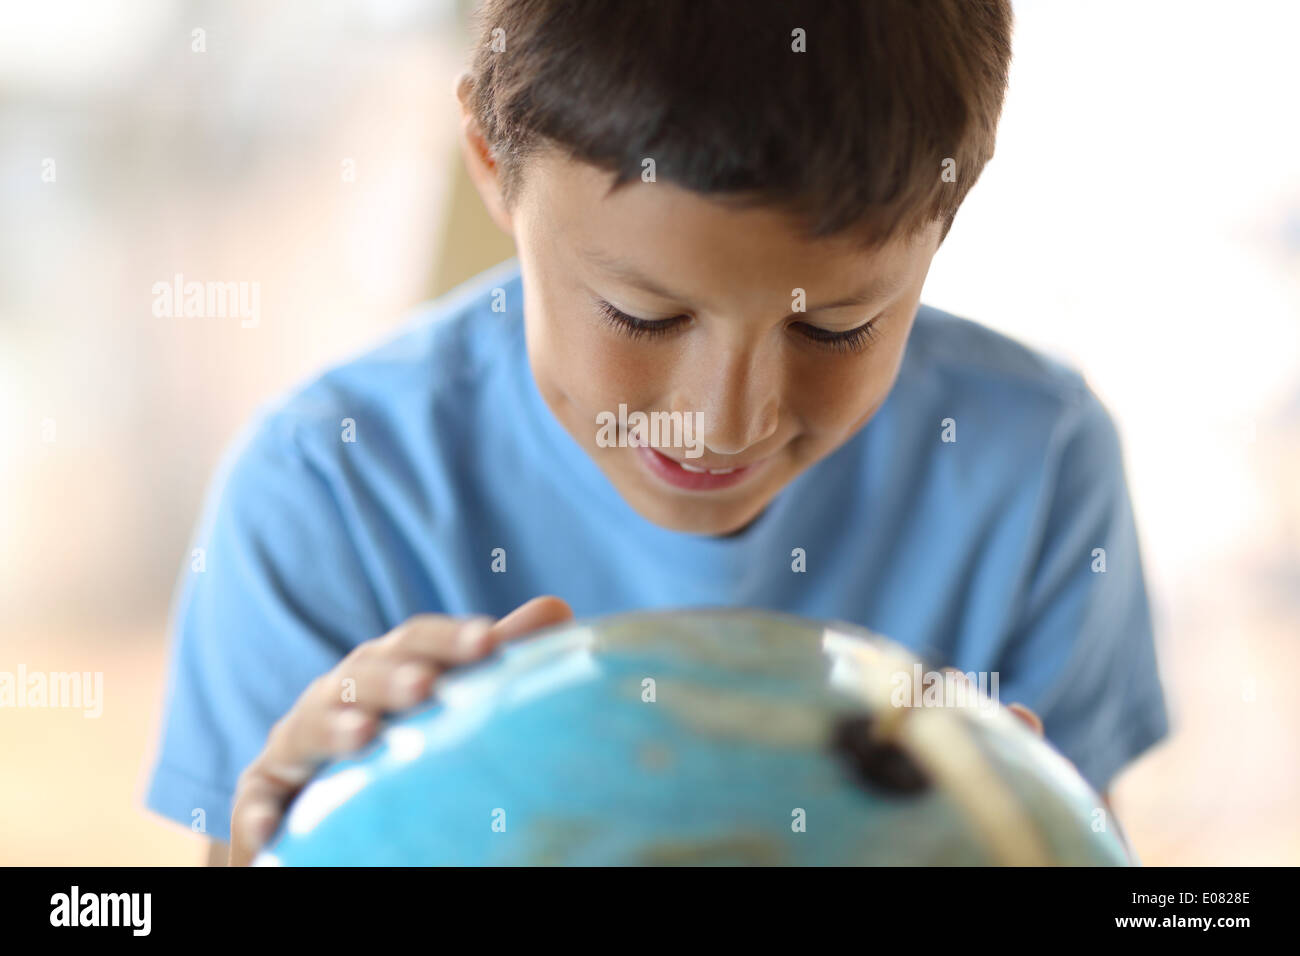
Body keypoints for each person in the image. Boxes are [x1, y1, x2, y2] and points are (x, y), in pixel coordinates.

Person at [143, 0, 1168, 866]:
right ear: (493, 164)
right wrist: (260, 842)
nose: (726, 419)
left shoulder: (1034, 462)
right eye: (642, 316)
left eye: (833, 326)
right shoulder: (326, 488)